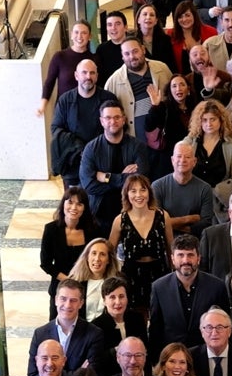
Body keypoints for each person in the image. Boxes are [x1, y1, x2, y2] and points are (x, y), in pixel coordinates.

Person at [148, 234, 231, 351]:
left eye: (190, 255)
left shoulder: (217, 286)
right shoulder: (159, 287)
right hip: (172, 358)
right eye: (180, 255)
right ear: (172, 258)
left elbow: (226, 326)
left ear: (199, 258)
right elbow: (155, 329)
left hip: (206, 357)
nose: (185, 260)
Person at [79, 98, 152, 226]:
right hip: (99, 214)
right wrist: (124, 178)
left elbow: (141, 180)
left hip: (132, 212)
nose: (113, 121)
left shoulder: (138, 146)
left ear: (124, 119)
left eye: (117, 117)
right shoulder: (91, 148)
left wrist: (106, 177)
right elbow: (89, 185)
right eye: (108, 118)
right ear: (101, 121)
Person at [108, 174, 174, 311]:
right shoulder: (120, 220)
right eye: (133, 191)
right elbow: (110, 253)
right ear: (127, 194)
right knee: (137, 318)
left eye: (143, 189)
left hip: (160, 273)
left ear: (149, 192)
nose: (139, 195)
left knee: (161, 314)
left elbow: (171, 249)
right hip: (131, 276)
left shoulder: (163, 216)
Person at [51, 61, 116, 189]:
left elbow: (118, 127)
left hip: (102, 164)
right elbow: (56, 129)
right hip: (73, 165)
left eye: (92, 73)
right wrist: (78, 147)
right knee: (74, 206)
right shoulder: (65, 100)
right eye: (84, 72)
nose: (88, 77)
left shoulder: (109, 99)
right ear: (76, 76)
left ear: (97, 76)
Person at [40, 188, 100, 319]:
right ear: (63, 204)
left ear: (84, 208)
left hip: (85, 286)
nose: (74, 207)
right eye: (70, 202)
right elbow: (46, 264)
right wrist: (68, 280)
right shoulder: (51, 230)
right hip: (60, 285)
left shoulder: (93, 230)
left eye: (79, 204)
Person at [27, 279, 106, 376]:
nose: (68, 305)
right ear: (56, 300)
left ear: (81, 303)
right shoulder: (40, 334)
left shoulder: (94, 334)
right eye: (63, 299)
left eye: (73, 300)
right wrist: (78, 373)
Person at [105, 36, 175, 141]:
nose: (132, 56)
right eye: (127, 54)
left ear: (143, 49)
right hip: (134, 142)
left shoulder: (162, 69)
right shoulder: (113, 82)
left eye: (135, 51)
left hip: (165, 137)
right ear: (122, 57)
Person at [152, 140, 216, 237]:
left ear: (194, 162)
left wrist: (170, 222)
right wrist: (189, 219)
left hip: (194, 244)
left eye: (187, 157)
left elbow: (206, 225)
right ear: (172, 160)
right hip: (165, 242)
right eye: (179, 156)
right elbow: (156, 222)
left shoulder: (205, 188)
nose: (182, 160)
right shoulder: (157, 186)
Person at [38, 20, 97, 117]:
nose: (79, 36)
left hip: (88, 110)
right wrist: (42, 106)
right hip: (64, 110)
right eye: (76, 32)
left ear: (90, 36)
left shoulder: (94, 59)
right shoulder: (60, 57)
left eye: (84, 33)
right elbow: (49, 83)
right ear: (71, 35)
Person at [66, 237, 122, 322]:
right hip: (81, 331)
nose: (97, 259)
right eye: (94, 253)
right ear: (87, 257)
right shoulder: (74, 283)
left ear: (109, 260)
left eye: (102, 254)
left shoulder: (117, 283)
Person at [94, 11, 130, 88]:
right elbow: (99, 77)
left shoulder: (133, 46)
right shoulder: (101, 49)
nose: (113, 28)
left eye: (117, 24)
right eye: (109, 25)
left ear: (126, 27)